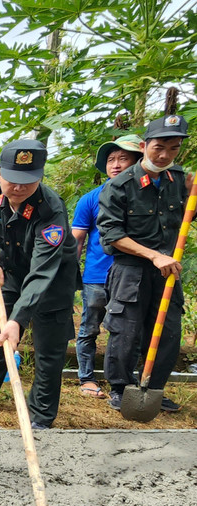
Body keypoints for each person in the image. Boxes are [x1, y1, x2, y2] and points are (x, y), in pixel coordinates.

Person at [0, 140, 77, 430]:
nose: (18, 188)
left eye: (28, 182)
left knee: (48, 347)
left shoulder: (51, 210)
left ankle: (41, 415)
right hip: (11, 271)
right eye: (12, 180)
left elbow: (43, 271)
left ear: (40, 178)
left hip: (52, 279)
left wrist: (19, 320)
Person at [97, 115, 190, 413]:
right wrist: (153, 254)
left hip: (168, 273)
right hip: (131, 271)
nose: (164, 155)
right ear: (144, 145)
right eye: (159, 147)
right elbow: (111, 236)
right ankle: (121, 388)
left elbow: (186, 218)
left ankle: (153, 388)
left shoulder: (180, 181)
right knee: (125, 331)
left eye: (173, 149)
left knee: (168, 333)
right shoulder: (121, 185)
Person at [71, 134, 142, 399]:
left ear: (137, 161)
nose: (116, 164)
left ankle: (123, 384)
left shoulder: (147, 198)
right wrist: (70, 274)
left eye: (123, 158)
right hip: (97, 277)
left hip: (133, 277)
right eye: (111, 159)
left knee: (125, 330)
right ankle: (86, 378)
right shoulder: (90, 199)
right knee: (89, 327)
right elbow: (76, 240)